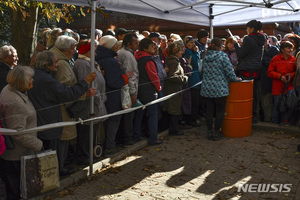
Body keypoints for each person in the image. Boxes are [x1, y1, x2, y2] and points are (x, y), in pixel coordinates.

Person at [28, 51, 96, 173]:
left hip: (42, 119)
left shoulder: (36, 75)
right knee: (50, 149)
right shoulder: (47, 80)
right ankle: (52, 173)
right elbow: (67, 94)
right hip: (48, 120)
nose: (58, 65)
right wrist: (85, 81)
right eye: (55, 62)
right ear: (46, 64)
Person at [50, 35, 92, 175]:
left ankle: (62, 164)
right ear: (65, 49)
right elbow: (64, 90)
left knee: (64, 140)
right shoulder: (61, 64)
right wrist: (84, 92)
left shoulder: (63, 60)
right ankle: (60, 167)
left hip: (66, 107)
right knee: (62, 140)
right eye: (73, 48)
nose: (75, 50)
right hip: (64, 109)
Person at [0, 66, 43, 200]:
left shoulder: (11, 89)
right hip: (16, 155)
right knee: (15, 190)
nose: (33, 80)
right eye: (30, 78)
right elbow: (17, 132)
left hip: (17, 153)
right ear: (22, 82)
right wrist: (38, 144)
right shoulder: (15, 102)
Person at [95, 35, 132, 156]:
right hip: (112, 97)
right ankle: (109, 147)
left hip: (103, 95)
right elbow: (114, 82)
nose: (117, 47)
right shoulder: (110, 61)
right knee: (113, 121)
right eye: (115, 44)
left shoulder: (100, 58)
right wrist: (125, 77)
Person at [73, 40, 107, 164]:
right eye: (93, 51)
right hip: (89, 105)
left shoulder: (88, 62)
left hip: (95, 103)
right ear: (87, 52)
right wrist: (98, 101)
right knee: (86, 132)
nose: (96, 54)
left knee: (91, 132)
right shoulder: (83, 64)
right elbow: (88, 84)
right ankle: (84, 156)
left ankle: (88, 154)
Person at [201, 38, 241, 141]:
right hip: (220, 88)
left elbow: (202, 71)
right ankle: (216, 131)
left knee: (209, 111)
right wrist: (236, 79)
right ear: (220, 46)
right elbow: (229, 72)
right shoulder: (223, 56)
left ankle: (209, 132)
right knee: (220, 111)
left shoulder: (205, 56)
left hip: (206, 88)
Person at [234, 20, 265, 123]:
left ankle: (245, 115)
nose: (246, 30)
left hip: (246, 70)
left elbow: (241, 54)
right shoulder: (261, 39)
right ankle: (254, 116)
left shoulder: (248, 39)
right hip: (256, 70)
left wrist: (236, 45)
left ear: (251, 29)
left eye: (247, 28)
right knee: (254, 95)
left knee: (244, 95)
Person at [134, 38, 162, 145]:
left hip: (139, 89)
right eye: (151, 46)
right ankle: (153, 138)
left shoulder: (137, 58)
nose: (154, 48)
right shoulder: (148, 60)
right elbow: (153, 76)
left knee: (139, 114)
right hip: (149, 91)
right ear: (146, 48)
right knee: (152, 114)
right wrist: (158, 87)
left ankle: (136, 135)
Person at [117, 33, 139, 146]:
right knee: (128, 115)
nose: (137, 45)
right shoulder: (127, 55)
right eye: (135, 43)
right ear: (129, 44)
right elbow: (130, 74)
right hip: (127, 89)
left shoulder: (124, 53)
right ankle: (127, 138)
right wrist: (133, 93)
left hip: (124, 88)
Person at [267, 41, 296, 125]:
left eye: (291, 48)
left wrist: (291, 75)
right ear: (282, 49)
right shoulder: (275, 59)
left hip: (289, 86)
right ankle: (275, 122)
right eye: (288, 48)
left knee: (290, 104)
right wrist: (280, 76)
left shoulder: (293, 59)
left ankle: (286, 120)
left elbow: (296, 72)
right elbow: (269, 72)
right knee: (277, 105)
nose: (290, 50)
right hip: (277, 87)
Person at [163, 40, 188, 136]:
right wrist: (184, 78)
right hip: (173, 90)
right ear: (176, 51)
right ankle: (174, 130)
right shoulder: (174, 62)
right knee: (174, 110)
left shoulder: (172, 60)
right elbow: (172, 76)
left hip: (173, 89)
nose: (182, 52)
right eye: (180, 50)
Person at [259, 33, 279, 122]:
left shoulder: (274, 50)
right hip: (259, 78)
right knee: (260, 100)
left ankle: (268, 119)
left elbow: (273, 63)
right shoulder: (257, 50)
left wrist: (264, 61)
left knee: (268, 100)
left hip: (269, 79)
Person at [183, 36, 201, 127]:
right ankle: (191, 119)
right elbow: (195, 63)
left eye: (194, 43)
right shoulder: (187, 52)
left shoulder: (192, 52)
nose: (193, 45)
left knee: (195, 101)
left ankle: (194, 118)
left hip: (196, 79)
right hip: (192, 81)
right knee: (193, 102)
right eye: (191, 43)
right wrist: (197, 52)